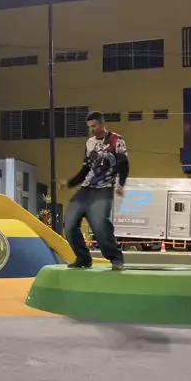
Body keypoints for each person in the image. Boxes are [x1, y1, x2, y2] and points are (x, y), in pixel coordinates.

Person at [60, 111, 129, 271]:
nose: (92, 129)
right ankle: (83, 258)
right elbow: (85, 170)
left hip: (104, 190)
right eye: (89, 127)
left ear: (102, 123)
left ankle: (116, 258)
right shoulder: (89, 143)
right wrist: (69, 183)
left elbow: (123, 164)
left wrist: (120, 184)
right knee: (69, 224)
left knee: (99, 224)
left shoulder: (116, 140)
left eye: (94, 126)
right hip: (85, 189)